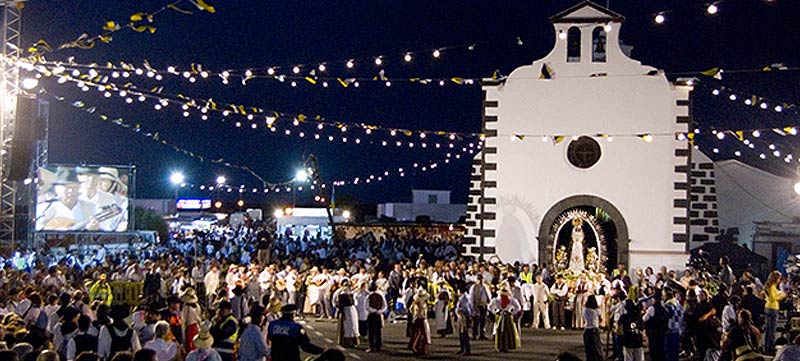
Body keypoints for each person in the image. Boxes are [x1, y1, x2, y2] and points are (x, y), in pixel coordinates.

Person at [489, 287, 521, 353]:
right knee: (506, 331)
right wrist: (512, 312)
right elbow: (518, 307)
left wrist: (495, 312)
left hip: (501, 316)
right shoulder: (510, 299)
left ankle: (501, 346)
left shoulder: (497, 300)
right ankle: (505, 346)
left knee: (501, 331)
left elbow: (490, 307)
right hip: (506, 316)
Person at [763, 270, 786, 354]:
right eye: (779, 278)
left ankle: (766, 347)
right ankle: (770, 348)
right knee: (772, 330)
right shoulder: (772, 287)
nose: (780, 280)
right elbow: (773, 298)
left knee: (768, 330)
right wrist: (782, 295)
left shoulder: (769, 287)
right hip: (772, 309)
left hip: (768, 307)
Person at [643, 290, 669, 361]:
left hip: (653, 333)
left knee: (654, 352)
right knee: (661, 351)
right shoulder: (664, 308)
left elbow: (645, 319)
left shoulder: (652, 308)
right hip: (662, 333)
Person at [333, 280, 359, 347]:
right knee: (346, 326)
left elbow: (355, 302)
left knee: (353, 326)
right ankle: (345, 342)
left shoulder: (352, 292)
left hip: (351, 310)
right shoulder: (339, 292)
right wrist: (339, 308)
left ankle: (353, 341)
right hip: (345, 310)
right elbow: (335, 301)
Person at [408, 289, 431, 355]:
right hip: (421, 319)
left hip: (417, 319)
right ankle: (418, 348)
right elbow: (421, 313)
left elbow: (411, 310)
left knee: (418, 334)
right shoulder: (420, 304)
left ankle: (418, 347)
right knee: (422, 334)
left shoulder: (415, 304)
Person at [365, 284, 387, 353]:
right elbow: (385, 306)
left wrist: (373, 311)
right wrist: (379, 311)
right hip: (378, 315)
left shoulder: (369, 296)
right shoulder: (381, 296)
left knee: (371, 332)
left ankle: (372, 347)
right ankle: (378, 347)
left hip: (371, 315)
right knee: (378, 332)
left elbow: (367, 306)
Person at [469, 274, 491, 339]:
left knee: (483, 320)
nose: (480, 280)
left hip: (484, 305)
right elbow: (471, 297)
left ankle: (482, 334)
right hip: (477, 305)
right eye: (479, 279)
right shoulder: (474, 287)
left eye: (481, 279)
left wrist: (488, 303)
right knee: (476, 320)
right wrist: (473, 306)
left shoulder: (485, 287)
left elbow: (488, 295)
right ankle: (475, 334)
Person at [181, 288, 202, 354]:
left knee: (189, 346)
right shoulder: (197, 306)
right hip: (196, 327)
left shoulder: (186, 307)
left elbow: (183, 320)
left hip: (189, 328)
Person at [455, 287, 472, 356]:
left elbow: (466, 308)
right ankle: (463, 348)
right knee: (461, 333)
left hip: (463, 316)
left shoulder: (464, 298)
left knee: (464, 333)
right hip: (460, 316)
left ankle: (466, 349)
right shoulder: (463, 297)